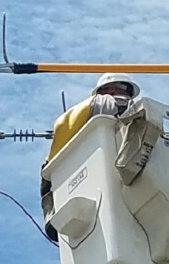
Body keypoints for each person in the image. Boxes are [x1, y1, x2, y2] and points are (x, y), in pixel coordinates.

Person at [41, 73, 141, 242]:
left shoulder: (76, 115)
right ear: (106, 90)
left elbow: (48, 175)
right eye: (121, 90)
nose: (123, 96)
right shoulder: (106, 103)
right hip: (115, 172)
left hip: (78, 177)